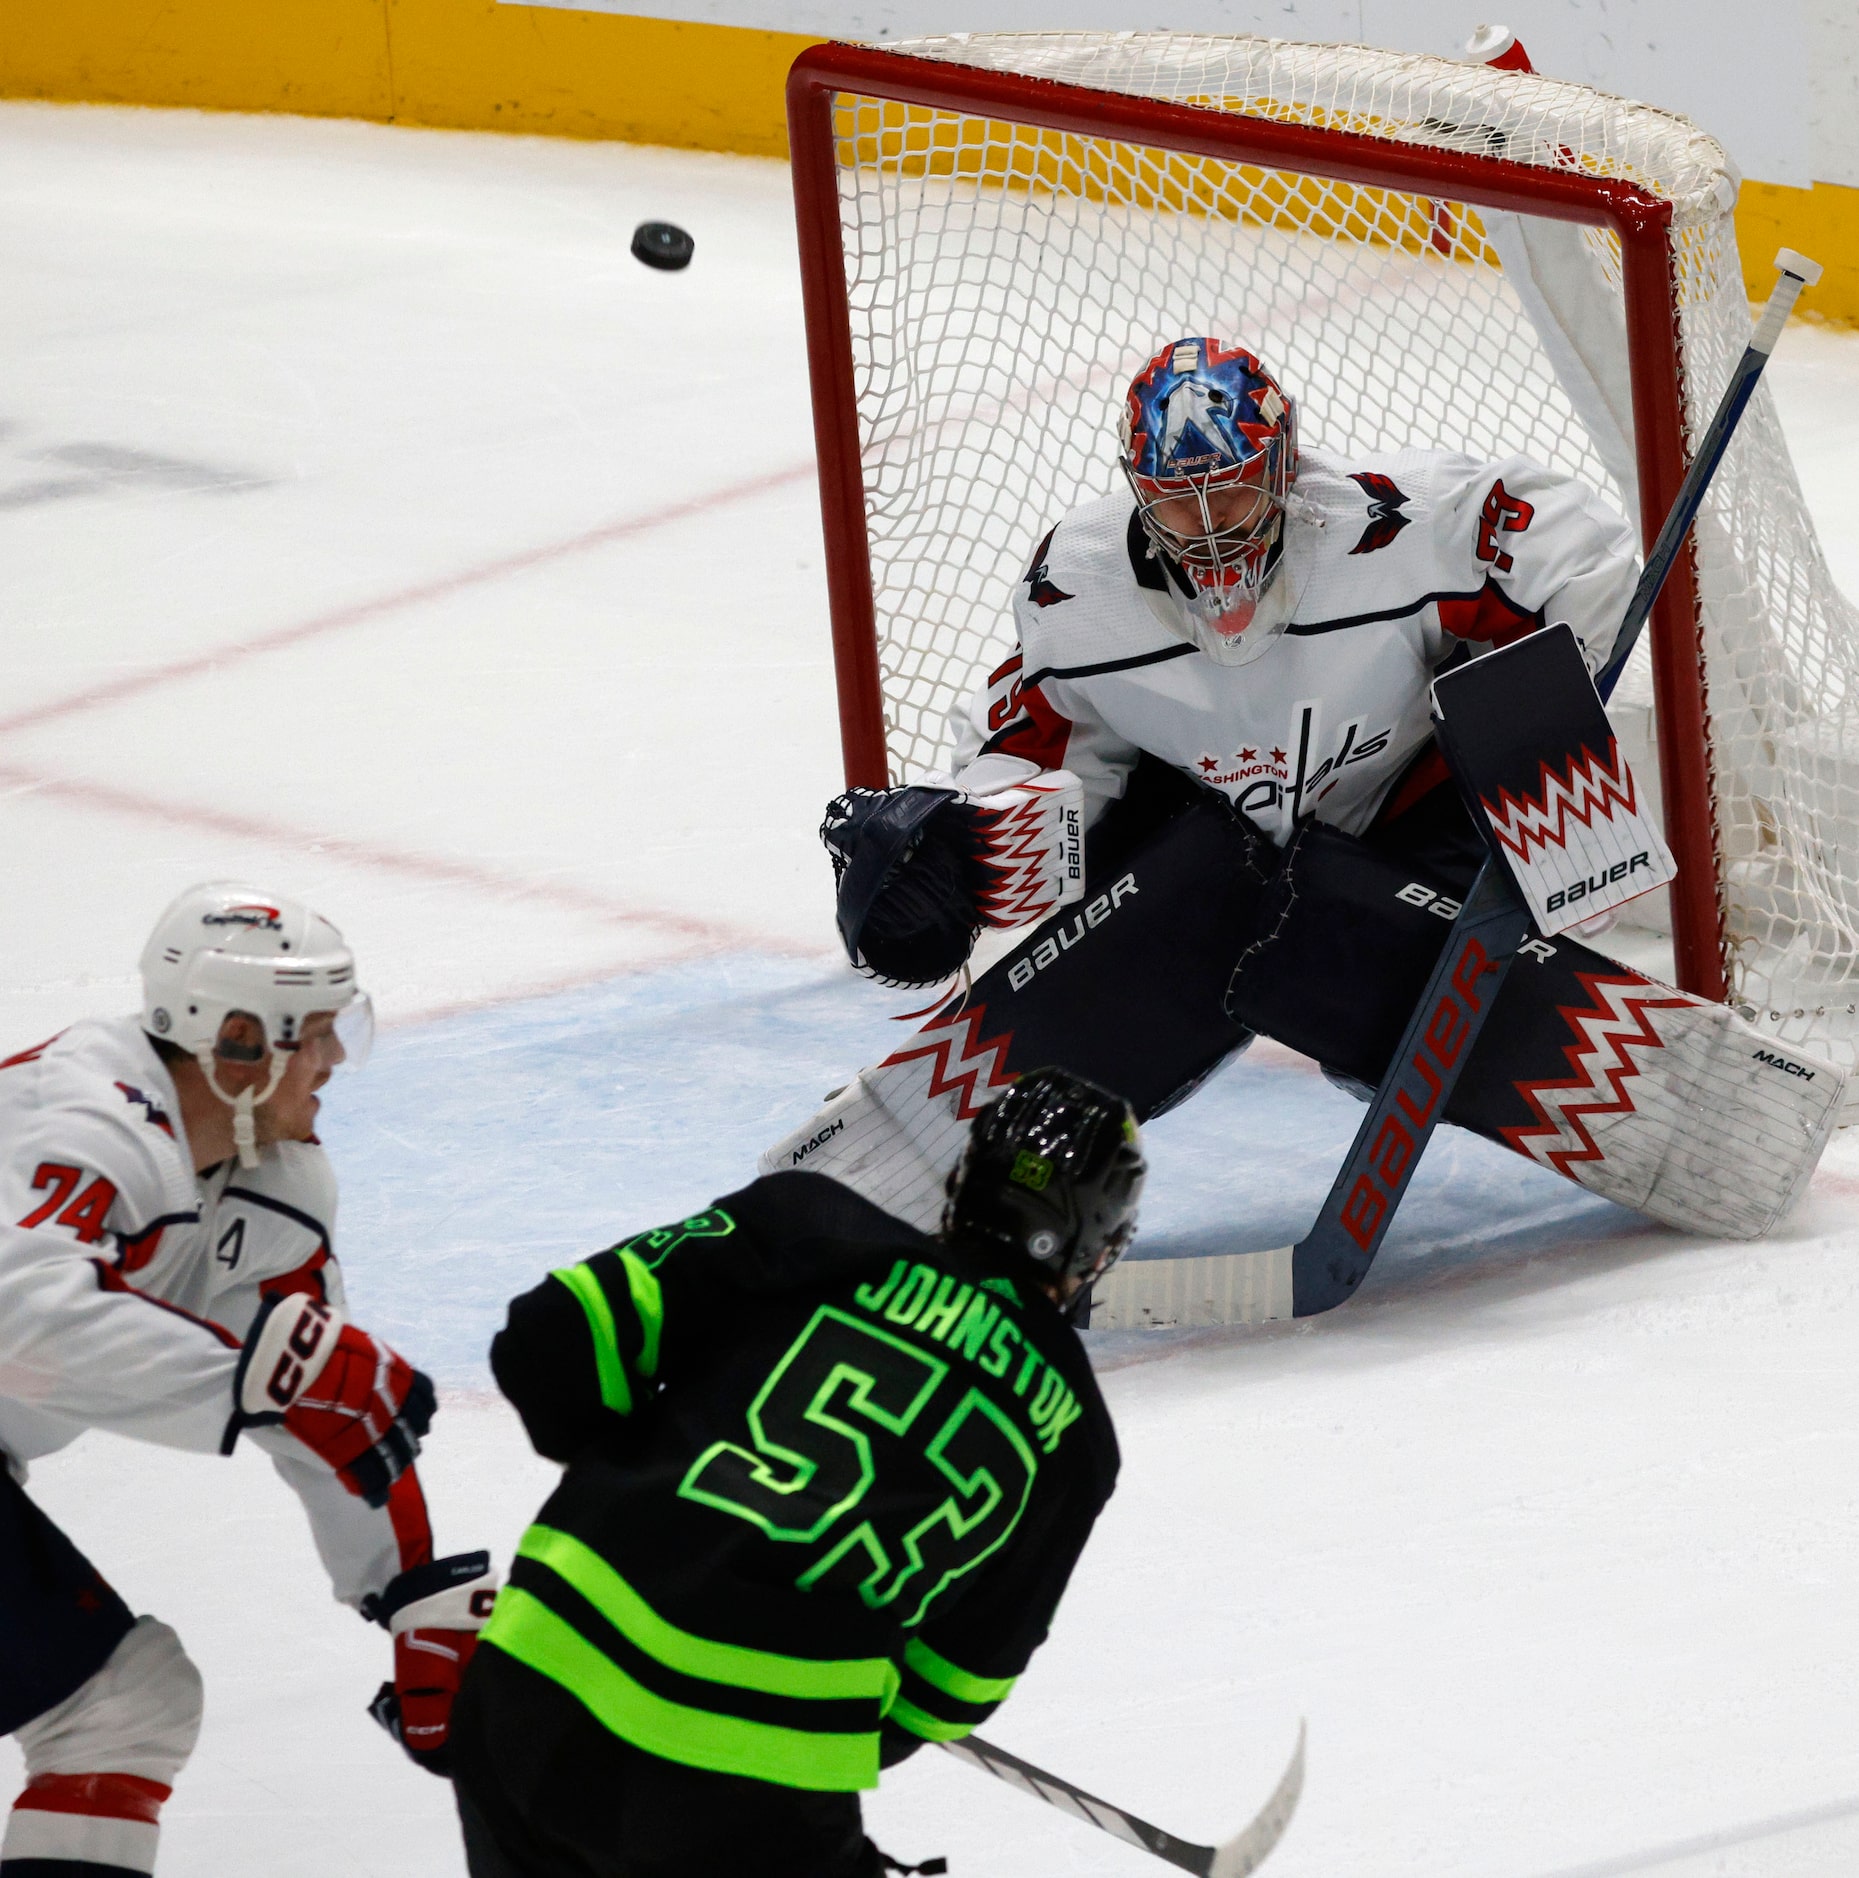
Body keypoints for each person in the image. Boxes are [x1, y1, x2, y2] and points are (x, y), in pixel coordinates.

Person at [771, 336, 1838, 1244]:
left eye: (1232, 490)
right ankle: (950, 1142)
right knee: (1228, 890)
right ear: (1137, 492)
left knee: (1344, 912)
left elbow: (1561, 534)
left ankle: (1412, 988)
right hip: (1205, 840)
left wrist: (1561, 708)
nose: (1211, 529)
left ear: (1284, 465)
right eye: (1178, 507)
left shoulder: (1396, 527)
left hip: (1407, 824)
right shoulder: (1076, 587)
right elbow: (1040, 747)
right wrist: (965, 840)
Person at [452, 1067, 1140, 1878]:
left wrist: (638, 1493)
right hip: (752, 1792)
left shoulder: (807, 1221)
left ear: (962, 1178)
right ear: (1098, 1247)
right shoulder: (1075, 1439)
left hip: (530, 1685)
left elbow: (550, 1338)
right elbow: (949, 1690)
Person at [0, 882, 495, 1878]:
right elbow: (18, 1317)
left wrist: (407, 1593)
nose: (337, 1059)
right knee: (119, 1707)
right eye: (312, 1034)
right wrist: (248, 1381)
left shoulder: (274, 1177)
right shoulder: (84, 1114)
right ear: (234, 1041)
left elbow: (329, 1406)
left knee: (125, 1707)